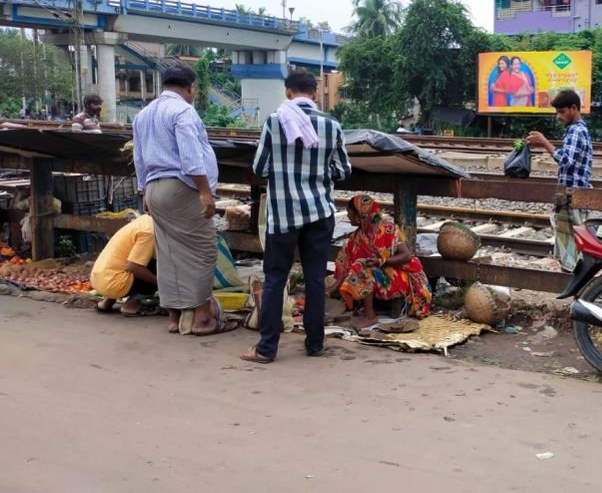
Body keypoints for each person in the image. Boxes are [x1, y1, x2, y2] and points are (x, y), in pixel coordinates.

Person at [241, 71, 351, 364]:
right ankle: (315, 344)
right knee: (315, 278)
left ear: (288, 92)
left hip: (283, 214)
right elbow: (343, 170)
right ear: (314, 93)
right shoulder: (331, 125)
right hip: (319, 213)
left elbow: (260, 168)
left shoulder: (275, 122)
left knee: (276, 278)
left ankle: (266, 349)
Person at [132, 65, 222, 335]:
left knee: (169, 252)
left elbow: (138, 157)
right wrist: (205, 191)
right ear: (190, 87)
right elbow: (190, 154)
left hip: (154, 187)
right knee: (204, 250)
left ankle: (174, 317)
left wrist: (143, 192)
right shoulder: (182, 111)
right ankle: (202, 317)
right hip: (181, 187)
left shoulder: (143, 114)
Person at [328, 195, 432, 327]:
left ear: (359, 215)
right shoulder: (357, 236)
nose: (347, 217)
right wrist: (330, 291)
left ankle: (370, 316)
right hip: (377, 276)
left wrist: (381, 262)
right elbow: (345, 267)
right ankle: (362, 308)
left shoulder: (388, 229)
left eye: (349, 213)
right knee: (359, 265)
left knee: (362, 268)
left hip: (397, 276)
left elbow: (406, 256)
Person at [525, 90, 592, 189]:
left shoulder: (576, 130)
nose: (558, 116)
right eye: (557, 112)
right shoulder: (579, 128)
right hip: (576, 192)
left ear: (574, 108)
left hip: (574, 193)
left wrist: (544, 142)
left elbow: (566, 161)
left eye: (562, 112)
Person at [92, 214, 157, 315]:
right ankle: (131, 306)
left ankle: (107, 302)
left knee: (132, 259)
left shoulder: (144, 220)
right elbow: (134, 267)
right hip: (115, 283)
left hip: (99, 279)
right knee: (157, 267)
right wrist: (160, 284)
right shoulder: (149, 232)